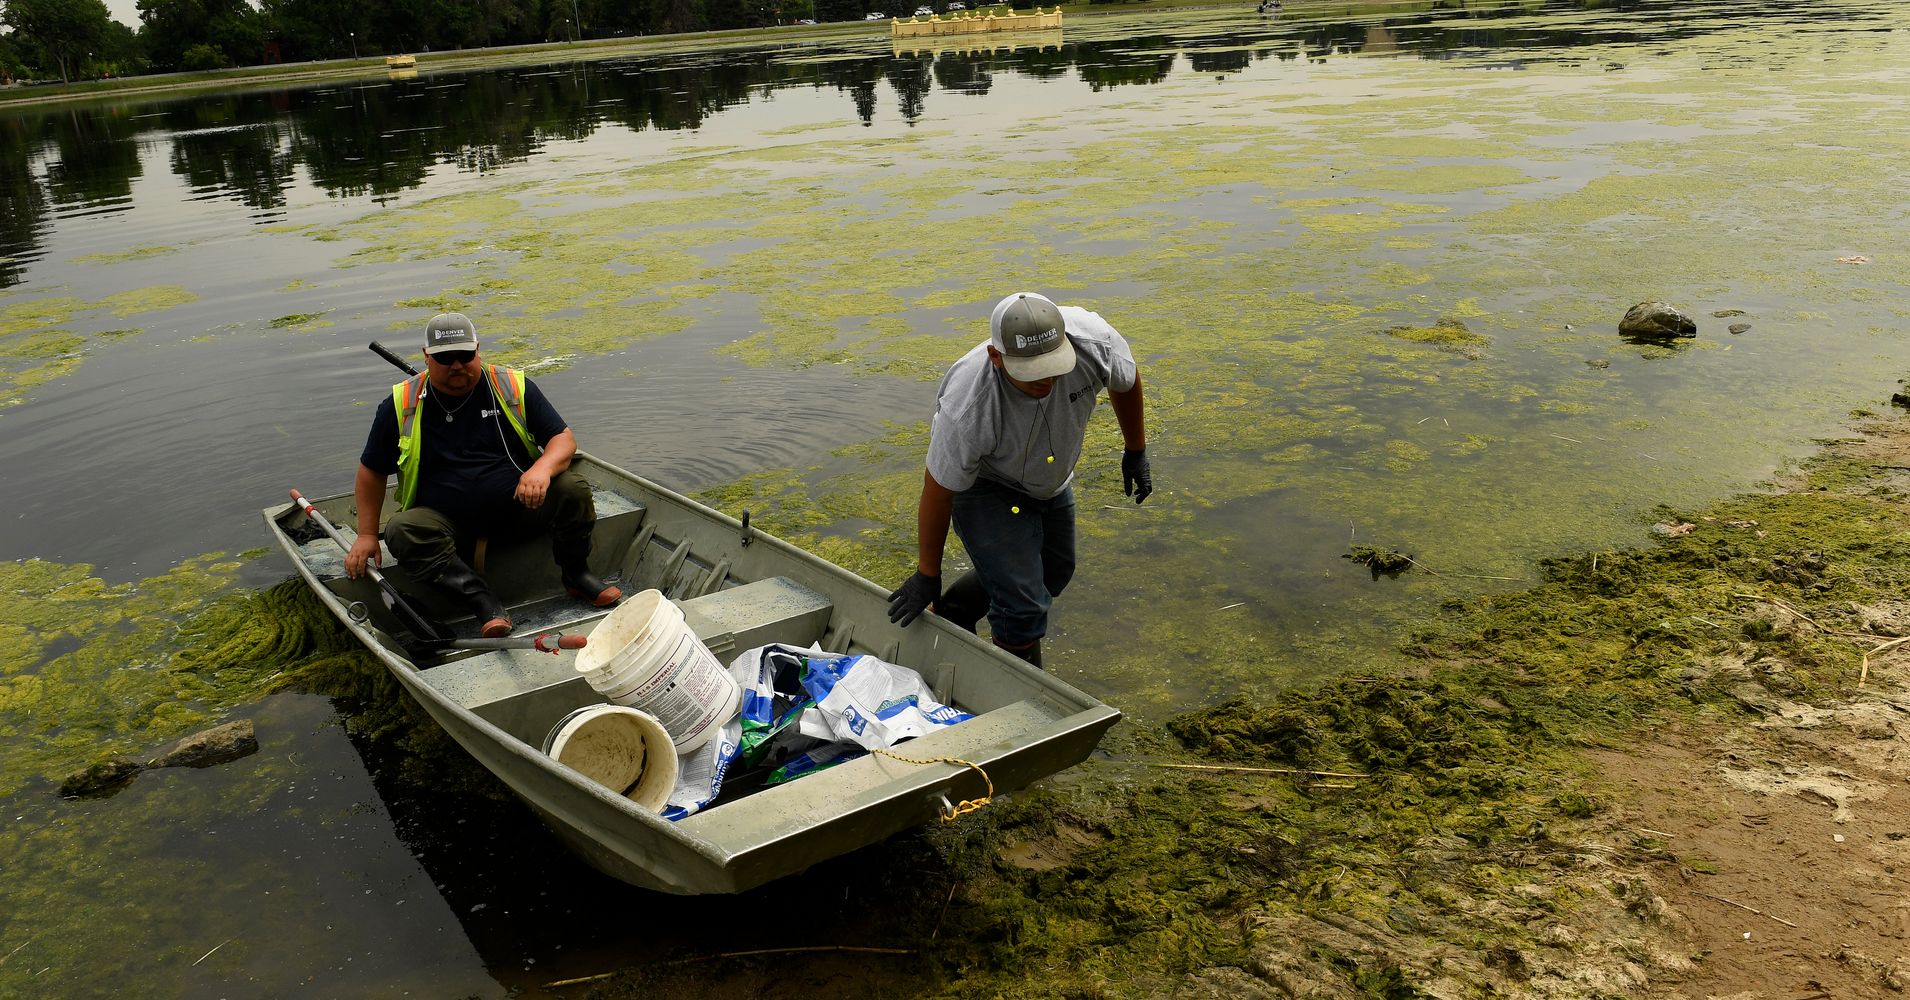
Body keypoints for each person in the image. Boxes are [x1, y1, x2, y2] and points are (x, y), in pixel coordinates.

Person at [886, 292, 1152, 667]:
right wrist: (927, 573)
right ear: (997, 357)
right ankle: (1022, 700)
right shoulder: (968, 405)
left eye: (1054, 366)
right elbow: (938, 489)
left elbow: (1125, 380)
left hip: (1049, 478)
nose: (1046, 379)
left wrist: (1135, 450)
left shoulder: (1095, 341)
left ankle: (958, 609)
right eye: (1032, 372)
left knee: (1053, 573)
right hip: (985, 485)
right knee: (1024, 605)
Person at [344, 312, 620, 637]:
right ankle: (483, 602)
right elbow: (371, 471)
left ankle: (576, 573)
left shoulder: (511, 387)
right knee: (402, 530)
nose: (457, 365)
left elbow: (563, 440)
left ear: (478, 349)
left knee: (571, 486)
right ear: (426, 357)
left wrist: (541, 470)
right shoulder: (401, 404)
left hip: (521, 511)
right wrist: (364, 535)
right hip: (448, 530)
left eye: (465, 355)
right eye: (445, 358)